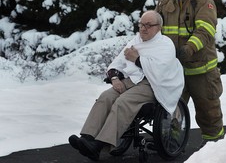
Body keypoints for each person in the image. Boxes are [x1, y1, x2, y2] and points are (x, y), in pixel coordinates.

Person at [68, 10, 184, 161]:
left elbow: (160, 71)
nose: (143, 28)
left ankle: (99, 145)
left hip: (154, 85)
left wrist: (137, 59)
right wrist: (115, 78)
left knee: (122, 102)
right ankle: (87, 138)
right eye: (141, 24)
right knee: (106, 97)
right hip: (132, 80)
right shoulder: (135, 41)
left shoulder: (165, 45)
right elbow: (119, 62)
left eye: (148, 25)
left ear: (159, 27)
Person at [155, 0, 224, 148]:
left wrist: (189, 48)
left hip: (201, 70)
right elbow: (155, 29)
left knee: (208, 112)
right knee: (171, 111)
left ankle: (215, 148)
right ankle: (172, 147)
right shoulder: (163, 1)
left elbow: (205, 31)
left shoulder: (203, 1)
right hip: (174, 69)